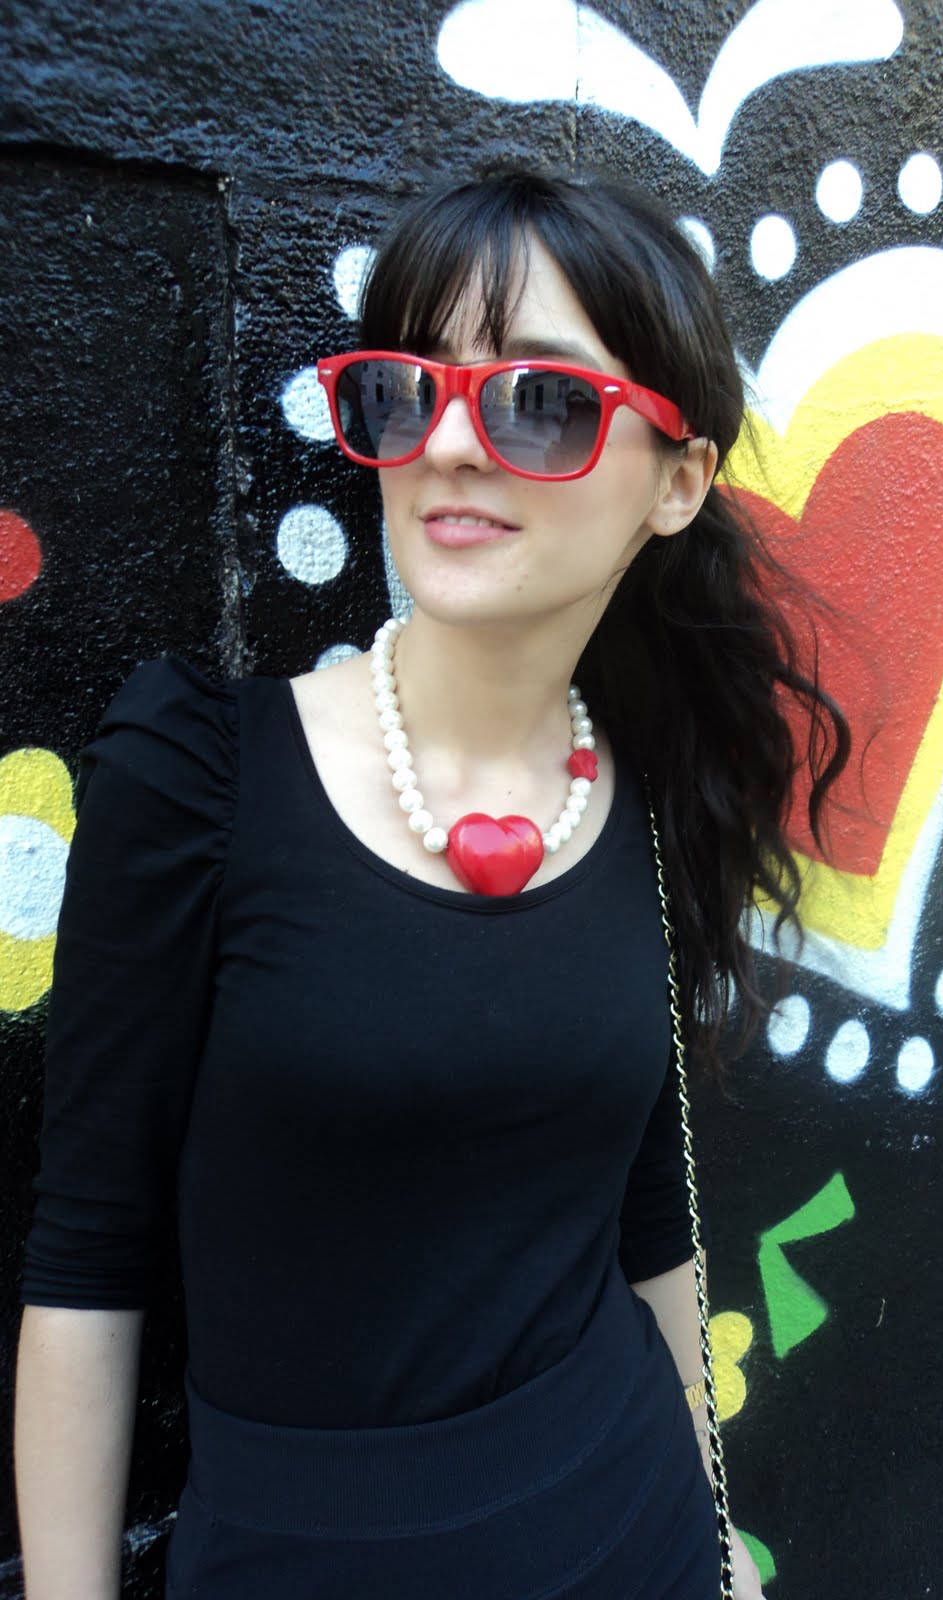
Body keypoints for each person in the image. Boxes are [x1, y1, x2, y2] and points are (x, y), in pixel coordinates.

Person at [13, 166, 846, 1599]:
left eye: (543, 402)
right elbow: (86, 1264)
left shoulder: (639, 793)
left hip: (636, 1536)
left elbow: (650, 1222)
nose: (451, 444)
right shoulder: (197, 775)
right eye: (407, 392)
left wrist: (717, 1544)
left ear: (679, 482)